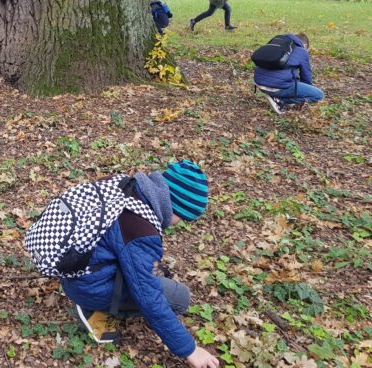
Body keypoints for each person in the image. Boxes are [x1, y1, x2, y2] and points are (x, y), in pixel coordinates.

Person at [61, 161, 219, 368]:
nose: (178, 224)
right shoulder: (140, 229)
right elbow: (149, 298)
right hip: (87, 284)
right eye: (182, 218)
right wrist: (189, 349)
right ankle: (91, 307)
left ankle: (91, 293)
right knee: (180, 299)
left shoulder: (122, 184)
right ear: (175, 207)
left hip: (72, 264)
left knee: (158, 284)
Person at [254, 32, 324, 115]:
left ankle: (276, 96)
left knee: (290, 76)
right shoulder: (301, 51)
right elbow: (306, 77)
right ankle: (279, 100)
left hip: (259, 83)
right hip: (276, 87)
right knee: (318, 95)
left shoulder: (276, 43)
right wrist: (304, 93)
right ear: (305, 45)